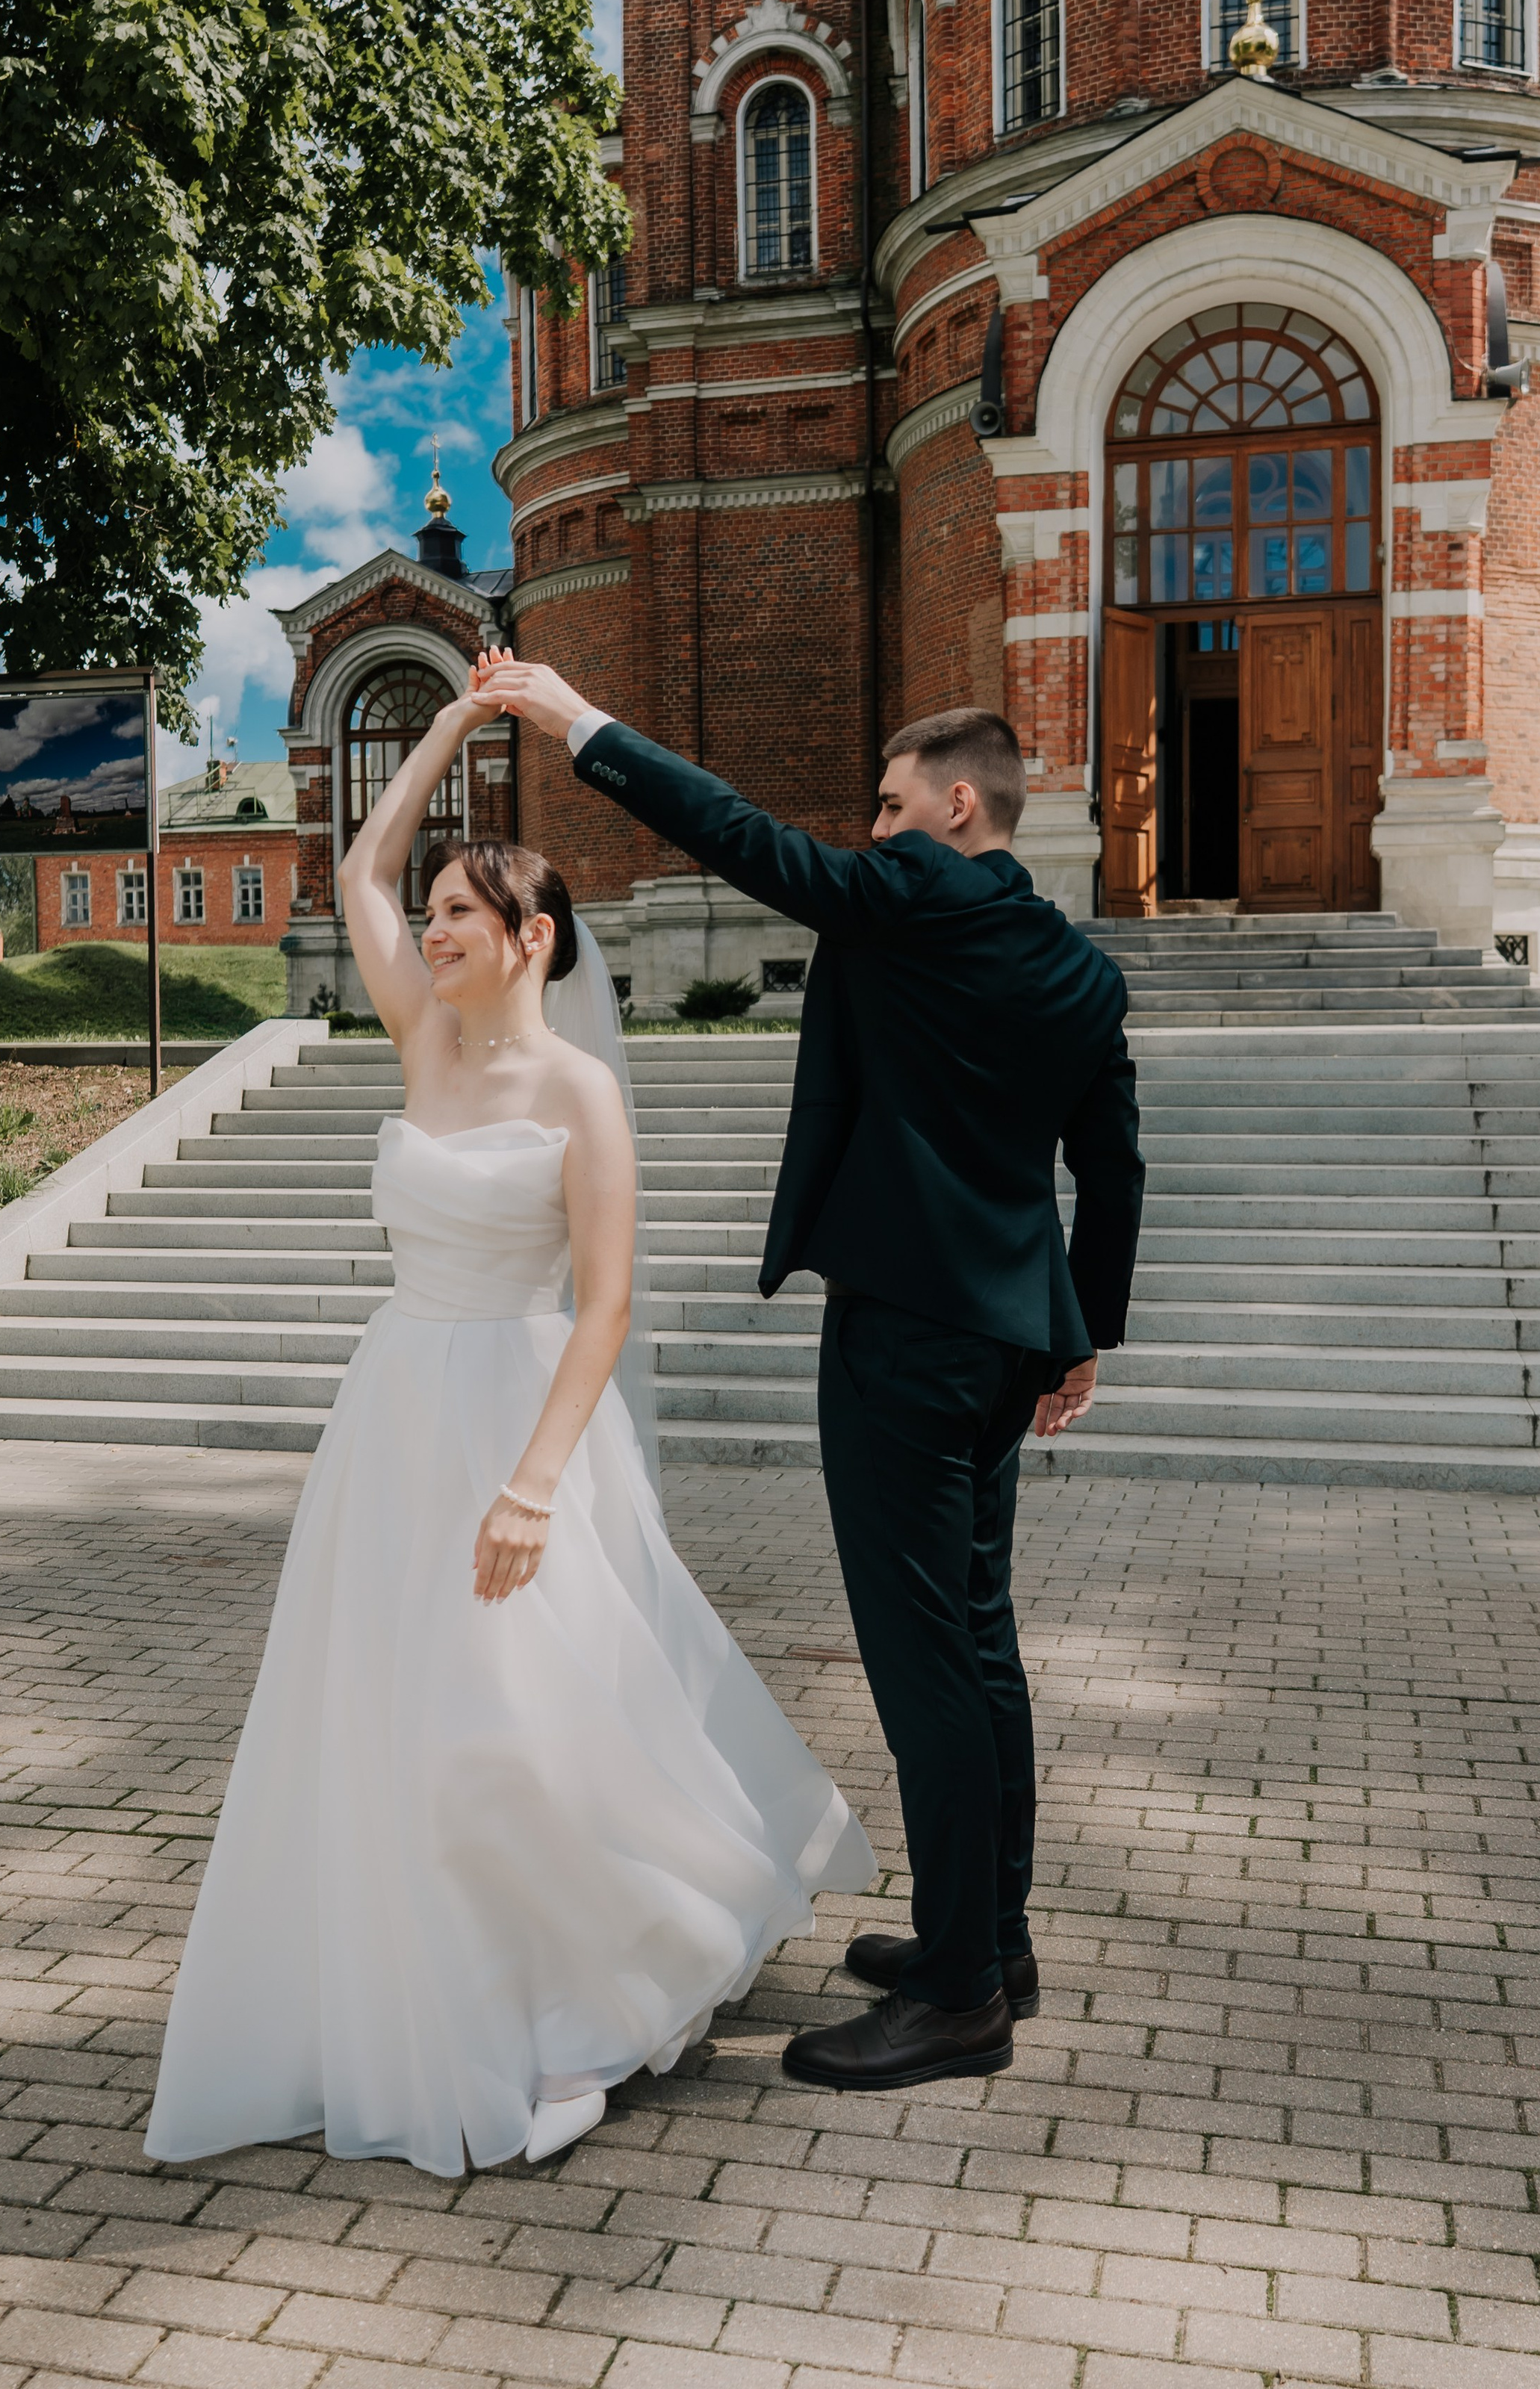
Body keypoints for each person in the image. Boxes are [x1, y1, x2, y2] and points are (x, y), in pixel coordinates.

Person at [143, 663, 873, 2179]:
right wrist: (453, 730)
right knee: (394, 1717)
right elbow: (356, 864)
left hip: (521, 1427)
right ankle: (438, 1986)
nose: (429, 930)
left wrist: (534, 1485)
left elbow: (602, 1305)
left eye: (459, 915)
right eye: (433, 918)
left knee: (512, 1726)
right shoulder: (420, 1042)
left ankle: (596, 1983)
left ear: (530, 938)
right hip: (395, 1412)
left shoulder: (578, 1094)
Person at [474, 657, 1146, 2096]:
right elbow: (1114, 1164)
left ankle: (964, 1997)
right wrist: (1082, 1328)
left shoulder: (913, 894)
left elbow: (743, 838)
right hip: (1007, 1339)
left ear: (959, 805)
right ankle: (993, 1935)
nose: (879, 828)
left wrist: (577, 720)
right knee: (979, 1639)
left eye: (897, 805)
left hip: (904, 1336)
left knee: (927, 1670)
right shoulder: (1085, 973)